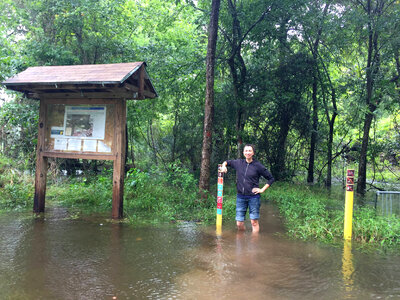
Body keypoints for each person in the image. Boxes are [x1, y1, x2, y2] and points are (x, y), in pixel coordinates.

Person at [220, 144, 274, 233]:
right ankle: (242, 242)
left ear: (253, 153)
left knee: (254, 222)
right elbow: (227, 162)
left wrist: (262, 189)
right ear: (243, 152)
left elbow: (271, 178)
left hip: (254, 197)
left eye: (250, 151)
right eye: (246, 151)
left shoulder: (258, 166)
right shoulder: (239, 163)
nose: (248, 152)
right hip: (240, 197)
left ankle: (254, 243)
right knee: (239, 223)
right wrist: (223, 166)